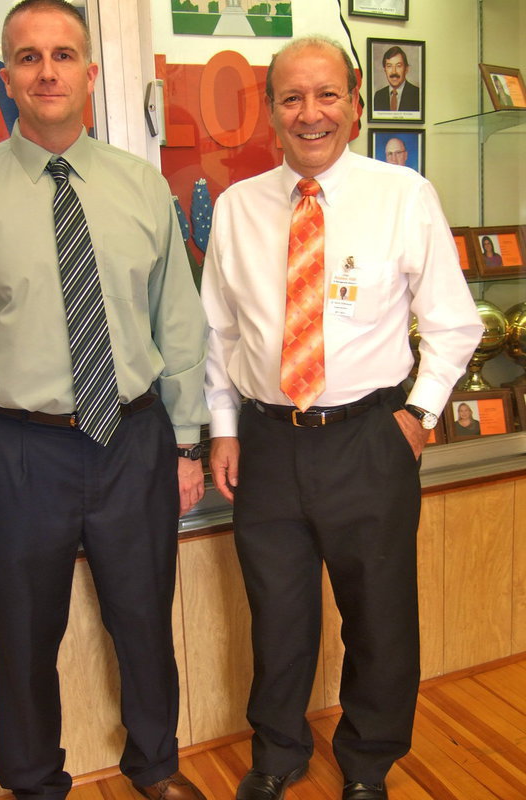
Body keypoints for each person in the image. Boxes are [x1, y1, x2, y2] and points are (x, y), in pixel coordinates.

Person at [0, 2, 209, 799]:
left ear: (90, 72)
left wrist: (186, 443)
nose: (46, 70)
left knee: (146, 620)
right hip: (16, 450)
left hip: (135, 441)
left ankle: (156, 768)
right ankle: (34, 782)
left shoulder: (140, 188)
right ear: (6, 76)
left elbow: (178, 326)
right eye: (27, 57)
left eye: (62, 55)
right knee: (21, 634)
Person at [201, 35, 482, 800]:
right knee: (278, 616)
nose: (310, 113)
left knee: (380, 619)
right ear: (269, 112)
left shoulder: (404, 196)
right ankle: (279, 753)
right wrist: (223, 428)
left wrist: (420, 414)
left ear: (356, 108)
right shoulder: (236, 208)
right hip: (266, 442)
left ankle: (368, 764)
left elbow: (456, 323)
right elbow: (218, 334)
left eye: (327, 96)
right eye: (291, 98)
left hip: (370, 438)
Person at [373, 46, 420, 112]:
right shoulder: (378, 96)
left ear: (406, 69)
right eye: (389, 66)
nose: (394, 71)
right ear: (385, 70)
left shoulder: (417, 95)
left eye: (398, 66)